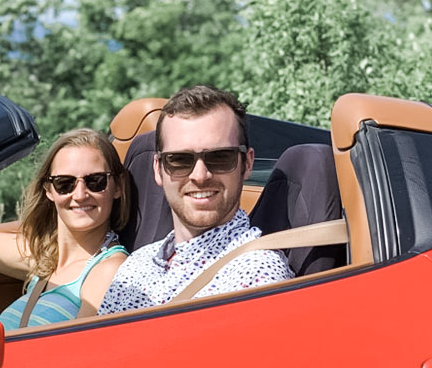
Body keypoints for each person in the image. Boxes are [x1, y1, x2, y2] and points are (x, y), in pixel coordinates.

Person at [99, 85, 293, 314]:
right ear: (158, 169)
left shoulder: (256, 273)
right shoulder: (135, 266)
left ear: (247, 163)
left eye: (220, 158)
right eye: (179, 160)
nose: (200, 176)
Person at [0, 128, 131, 330]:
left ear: (118, 187)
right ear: (49, 190)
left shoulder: (108, 270)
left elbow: (79, 358)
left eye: (96, 181)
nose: (80, 194)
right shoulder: (43, 256)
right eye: (65, 183)